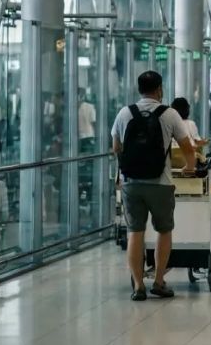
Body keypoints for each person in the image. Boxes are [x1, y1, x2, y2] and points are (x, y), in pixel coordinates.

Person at [111, 71, 196, 301]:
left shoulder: (124, 113)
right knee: (164, 231)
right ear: (159, 89)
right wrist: (190, 167)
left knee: (135, 233)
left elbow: (116, 147)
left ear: (140, 89)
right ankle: (159, 281)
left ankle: (138, 286)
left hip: (132, 184)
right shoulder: (169, 114)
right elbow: (187, 147)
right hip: (161, 182)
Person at [77, 90, 97, 154]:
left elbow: (93, 122)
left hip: (82, 136)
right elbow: (93, 122)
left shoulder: (75, 108)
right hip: (88, 135)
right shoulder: (90, 107)